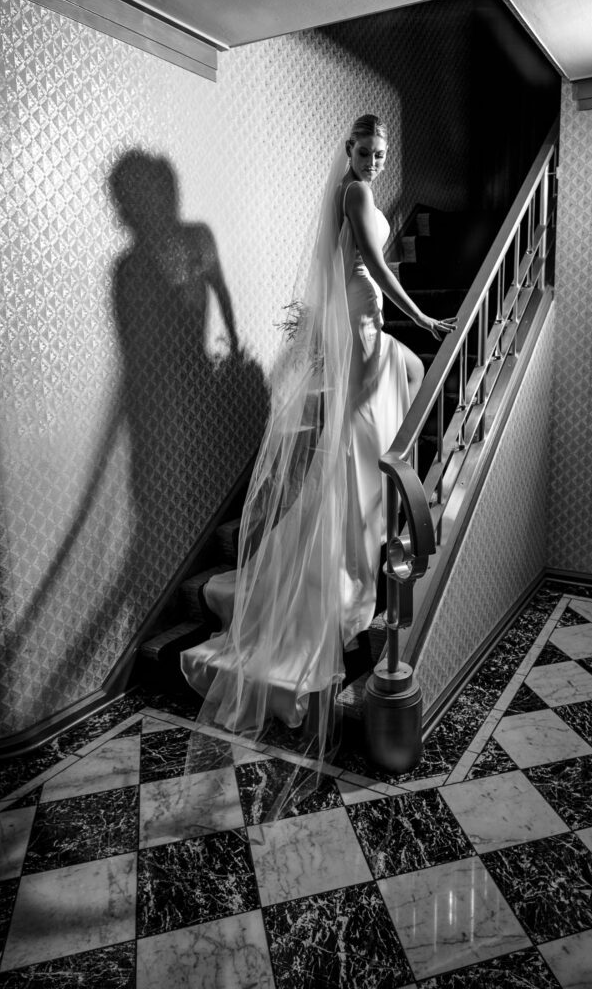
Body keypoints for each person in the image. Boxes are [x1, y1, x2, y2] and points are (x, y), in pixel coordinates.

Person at [180, 116, 454, 787]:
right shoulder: (356, 196)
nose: (373, 160)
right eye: (364, 150)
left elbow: (354, 269)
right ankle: (353, 556)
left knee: (387, 411)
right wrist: (417, 318)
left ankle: (378, 530)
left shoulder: (357, 190)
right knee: (361, 437)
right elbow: (377, 265)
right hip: (364, 322)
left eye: (381, 152)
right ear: (348, 151)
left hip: (363, 325)